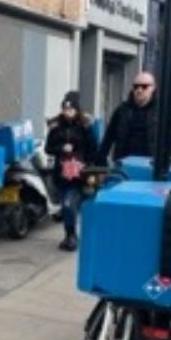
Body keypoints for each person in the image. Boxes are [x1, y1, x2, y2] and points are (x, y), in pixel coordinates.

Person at [45, 91, 97, 252]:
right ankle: (70, 234)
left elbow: (93, 148)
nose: (67, 112)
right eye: (65, 109)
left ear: (76, 110)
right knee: (66, 205)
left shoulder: (85, 127)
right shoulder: (56, 128)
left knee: (69, 203)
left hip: (80, 175)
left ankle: (72, 235)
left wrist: (86, 164)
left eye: (71, 109)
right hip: (62, 174)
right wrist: (61, 148)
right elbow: (48, 148)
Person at [96, 72, 171, 166]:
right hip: (124, 164)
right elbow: (108, 138)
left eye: (144, 86)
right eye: (136, 86)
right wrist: (100, 162)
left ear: (153, 88)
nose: (139, 90)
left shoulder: (161, 113)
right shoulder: (122, 111)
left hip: (151, 165)